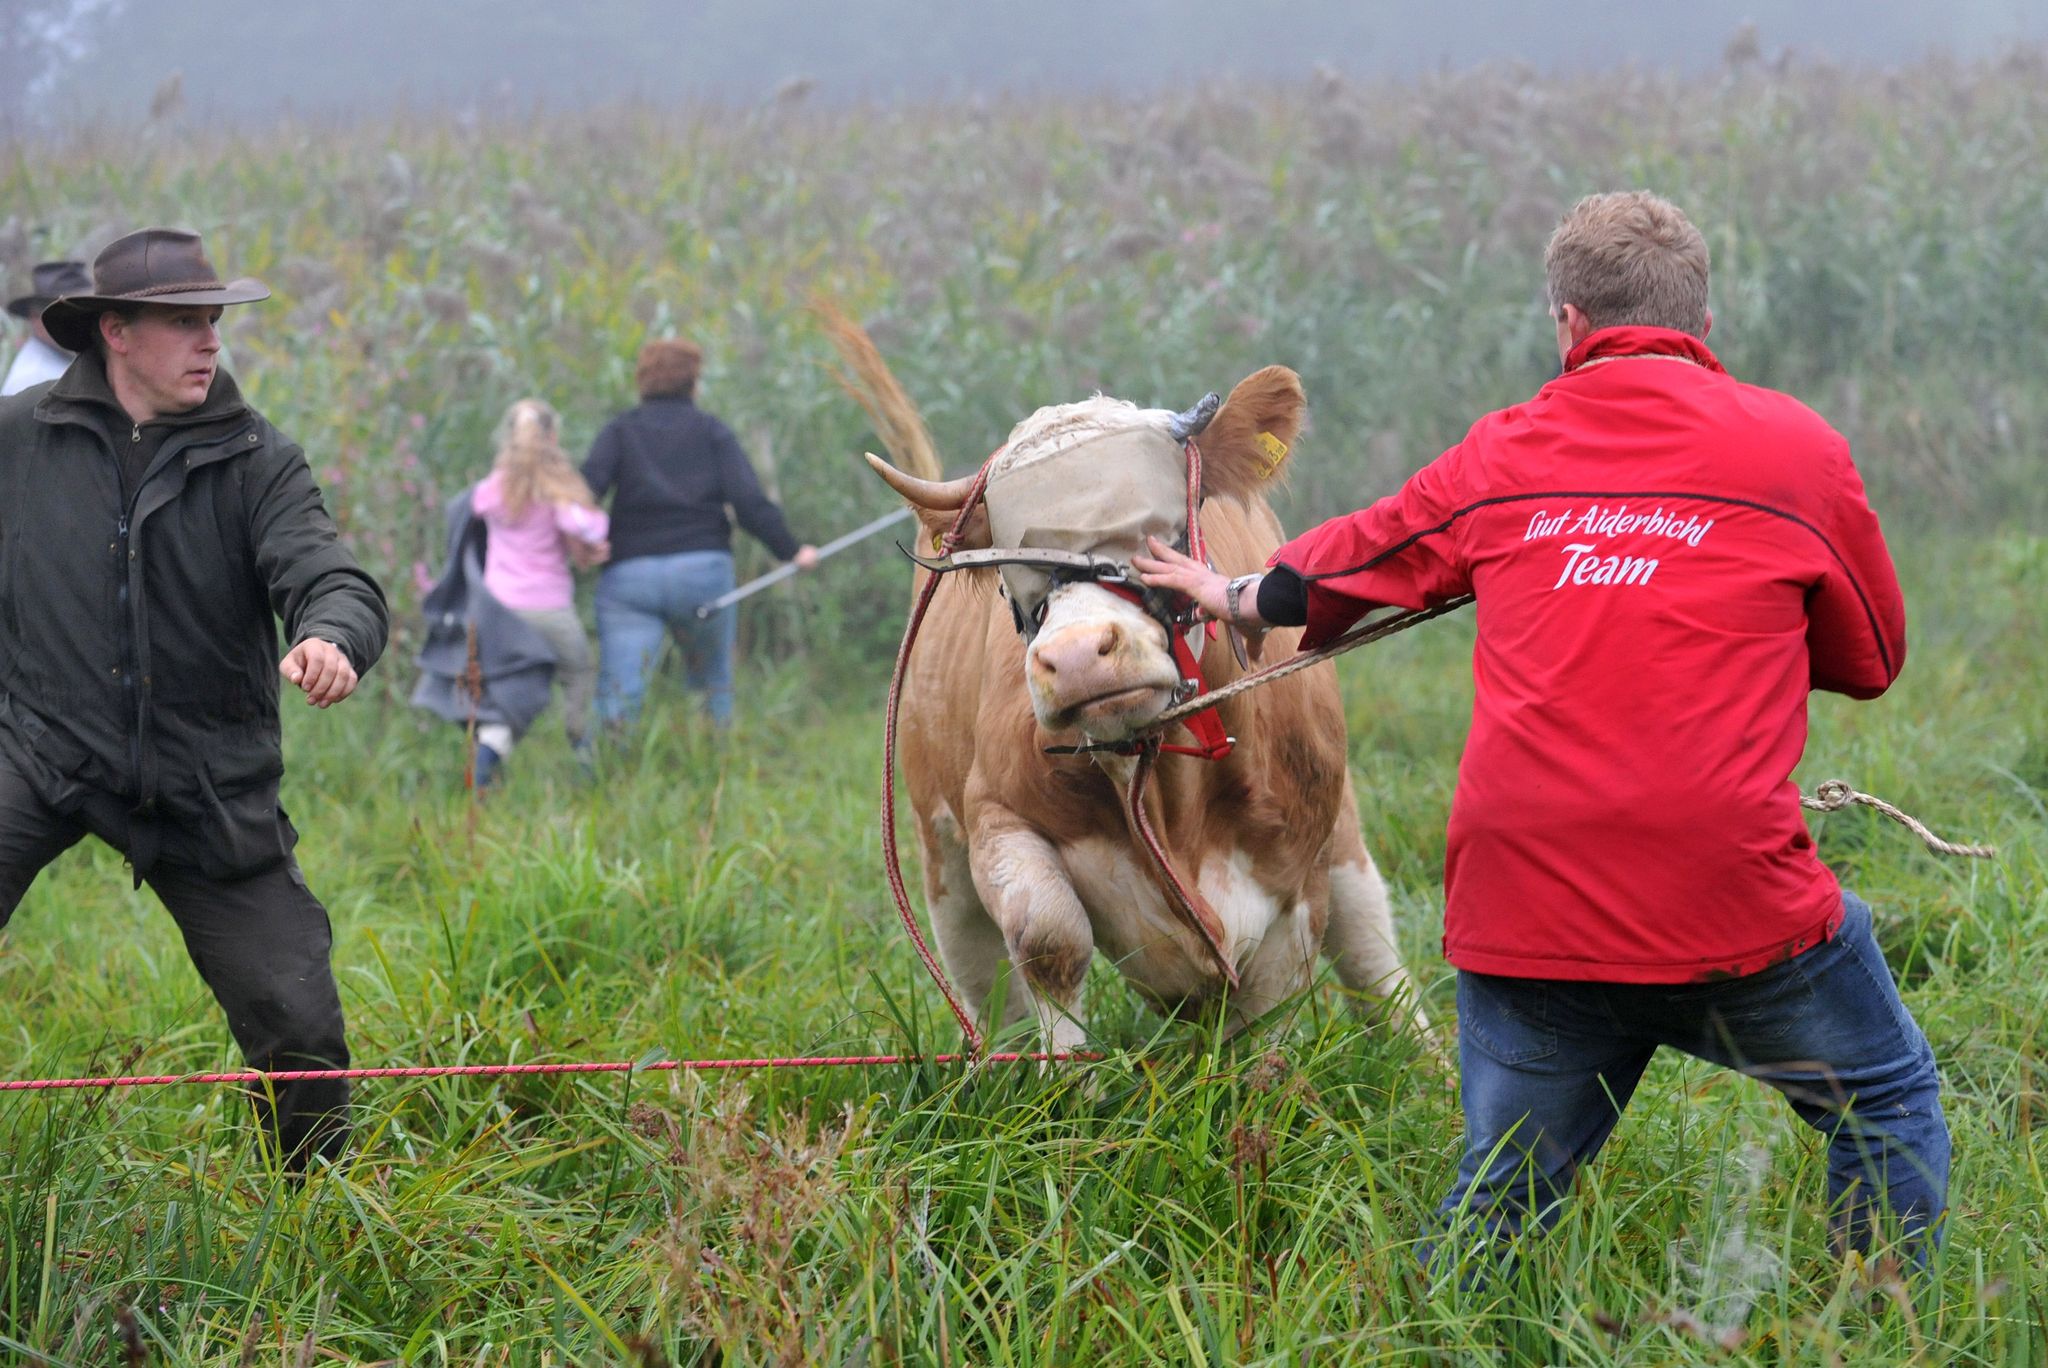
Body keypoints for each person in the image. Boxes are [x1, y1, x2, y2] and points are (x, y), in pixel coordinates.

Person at [1134, 191, 1947, 1272]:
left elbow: (1334, 571)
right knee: (1885, 1097)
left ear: (1565, 321)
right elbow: (1870, 663)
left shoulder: (1501, 455)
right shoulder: (1796, 450)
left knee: (1500, 1199)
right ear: (1701, 322)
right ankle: (1883, 1321)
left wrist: (1217, 589)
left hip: (1529, 903)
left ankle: (1448, 1335)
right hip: (1731, 898)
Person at [0, 228, 387, 1169]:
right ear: (115, 333)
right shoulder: (17, 441)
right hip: (40, 750)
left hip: (205, 777)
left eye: (213, 320)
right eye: (184, 322)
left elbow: (331, 574)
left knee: (297, 1025)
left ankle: (321, 1218)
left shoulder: (259, 459)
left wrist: (331, 635)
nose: (210, 341)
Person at [581, 338, 818, 729]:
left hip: (631, 576)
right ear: (694, 383)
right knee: (713, 684)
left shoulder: (619, 432)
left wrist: (582, 543)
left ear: (642, 380)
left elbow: (583, 493)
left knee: (621, 689)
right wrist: (791, 551)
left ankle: (606, 773)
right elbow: (748, 502)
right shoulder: (711, 432)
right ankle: (714, 762)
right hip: (702, 574)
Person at [467, 397, 609, 786]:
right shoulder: (555, 489)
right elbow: (585, 526)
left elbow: (475, 505)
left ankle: (484, 766)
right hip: (547, 608)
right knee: (578, 675)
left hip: (498, 611)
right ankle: (585, 755)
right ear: (553, 436)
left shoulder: (494, 489)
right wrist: (593, 534)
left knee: (509, 691)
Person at [2, 259, 88, 396]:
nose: (79, 322)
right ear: (36, 318)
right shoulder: (30, 379)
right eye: (65, 314)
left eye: (85, 312)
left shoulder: (71, 356)